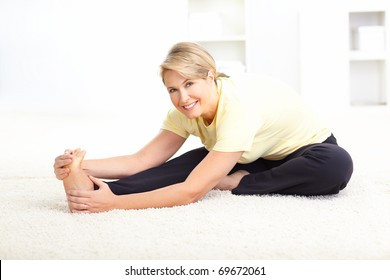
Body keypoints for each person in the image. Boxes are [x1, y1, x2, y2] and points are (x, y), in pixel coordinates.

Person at [54, 42, 353, 213]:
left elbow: (191, 192)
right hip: (248, 154)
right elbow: (141, 161)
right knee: (175, 168)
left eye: (189, 84)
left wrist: (115, 209)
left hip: (304, 153)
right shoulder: (184, 110)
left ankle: (236, 182)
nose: (182, 98)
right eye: (172, 90)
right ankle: (97, 193)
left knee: (336, 166)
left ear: (210, 76)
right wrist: (79, 166)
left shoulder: (238, 108)